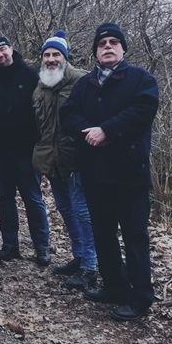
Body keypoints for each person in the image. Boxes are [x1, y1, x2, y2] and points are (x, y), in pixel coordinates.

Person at [60, 23, 159, 321]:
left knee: (135, 237)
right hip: (94, 173)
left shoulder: (141, 79)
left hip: (130, 174)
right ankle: (114, 287)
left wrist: (107, 130)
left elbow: (144, 110)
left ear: (123, 49)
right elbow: (68, 114)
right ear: (95, 52)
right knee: (103, 234)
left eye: (114, 42)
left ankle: (140, 297)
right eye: (102, 43)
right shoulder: (84, 84)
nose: (108, 46)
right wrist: (86, 132)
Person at [0, 36, 51, 266]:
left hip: (26, 152)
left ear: (11, 49)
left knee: (32, 199)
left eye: (2, 49)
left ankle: (42, 247)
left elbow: (43, 112)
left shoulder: (31, 76)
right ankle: (10, 245)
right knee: (5, 200)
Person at [32, 31, 97, 288]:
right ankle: (79, 258)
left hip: (78, 160)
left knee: (83, 213)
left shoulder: (82, 81)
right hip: (52, 161)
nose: (50, 59)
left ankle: (91, 266)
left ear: (65, 57)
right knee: (66, 210)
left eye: (56, 54)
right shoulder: (40, 86)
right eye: (46, 54)